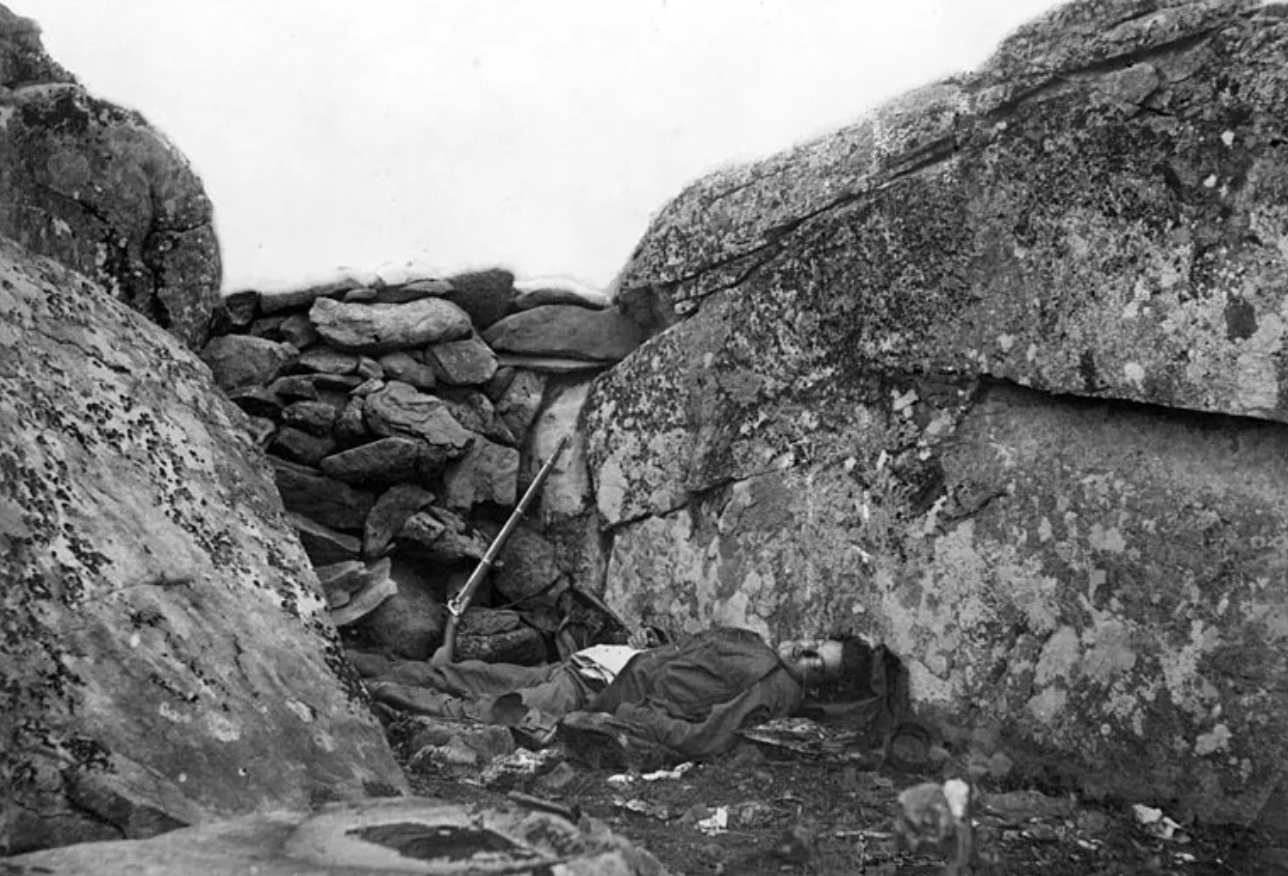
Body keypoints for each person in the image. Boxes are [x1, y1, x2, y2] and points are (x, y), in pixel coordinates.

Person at [354, 626, 904, 763]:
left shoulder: (774, 686)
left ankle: (361, 688)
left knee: (474, 704)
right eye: (816, 641)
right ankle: (347, 661)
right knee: (470, 675)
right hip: (603, 662)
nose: (805, 647)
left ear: (817, 684)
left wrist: (639, 715)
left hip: (602, 689)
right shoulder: (762, 650)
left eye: (815, 659)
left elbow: (707, 739)